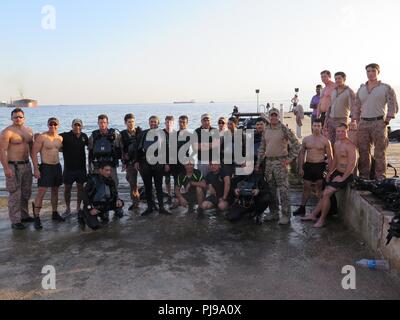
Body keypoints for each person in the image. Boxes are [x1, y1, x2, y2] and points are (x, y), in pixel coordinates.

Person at [302, 123, 357, 228]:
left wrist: (343, 177)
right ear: (336, 132)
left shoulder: (350, 145)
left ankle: (322, 220)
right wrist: (330, 173)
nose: (340, 133)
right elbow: (335, 160)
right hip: (337, 172)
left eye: (342, 131)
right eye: (338, 131)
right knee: (324, 192)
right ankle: (313, 215)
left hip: (347, 174)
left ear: (347, 131)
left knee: (327, 193)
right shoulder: (336, 143)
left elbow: (352, 164)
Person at [353, 63, 399, 180]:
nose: (370, 73)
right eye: (368, 71)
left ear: (378, 72)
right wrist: (356, 120)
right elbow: (356, 106)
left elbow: (393, 105)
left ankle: (380, 178)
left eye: (373, 71)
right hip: (363, 123)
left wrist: (387, 119)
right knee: (363, 152)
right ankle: (364, 177)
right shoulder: (361, 89)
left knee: (380, 153)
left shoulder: (386, 87)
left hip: (379, 122)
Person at [255, 108, 301, 225]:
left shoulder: (284, 129)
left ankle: (286, 215)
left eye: (275, 115)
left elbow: (296, 145)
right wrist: (258, 163)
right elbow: (262, 148)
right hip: (269, 163)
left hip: (281, 163)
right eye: (271, 115)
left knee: (284, 190)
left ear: (278, 117)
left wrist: (289, 159)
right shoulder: (266, 130)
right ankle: (274, 213)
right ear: (269, 117)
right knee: (271, 190)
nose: (273, 117)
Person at [0, 108, 34, 230]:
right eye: (15, 117)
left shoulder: (29, 131)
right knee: (15, 193)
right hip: (13, 166)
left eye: (20, 116)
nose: (18, 119)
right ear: (11, 118)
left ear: (23, 118)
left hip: (26, 164)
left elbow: (33, 149)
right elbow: (1, 151)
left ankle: (24, 215)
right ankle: (15, 220)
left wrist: (36, 166)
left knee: (26, 192)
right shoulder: (7, 132)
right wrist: (6, 168)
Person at [294, 119, 333, 216]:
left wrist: (329, 171)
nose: (316, 128)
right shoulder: (306, 139)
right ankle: (302, 208)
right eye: (315, 125)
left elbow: (330, 157)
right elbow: (302, 154)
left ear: (321, 127)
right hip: (309, 165)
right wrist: (300, 167)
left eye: (318, 126)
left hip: (320, 166)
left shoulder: (325, 141)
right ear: (312, 126)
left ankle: (319, 210)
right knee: (306, 187)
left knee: (319, 188)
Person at [31, 118, 65, 230]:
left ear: (58, 125)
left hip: (57, 166)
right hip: (46, 167)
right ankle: (36, 217)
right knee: (41, 192)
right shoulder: (42, 137)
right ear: (47, 125)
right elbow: (34, 153)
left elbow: (62, 150)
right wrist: (36, 168)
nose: (53, 126)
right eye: (51, 124)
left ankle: (54, 213)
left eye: (55, 124)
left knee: (55, 190)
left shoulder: (60, 138)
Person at [136, 116, 172, 216]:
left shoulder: (163, 134)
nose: (153, 124)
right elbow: (138, 148)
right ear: (149, 123)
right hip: (145, 164)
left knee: (159, 186)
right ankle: (150, 207)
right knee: (148, 187)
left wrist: (167, 163)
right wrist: (137, 161)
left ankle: (161, 207)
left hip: (159, 163)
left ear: (158, 123)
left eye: (155, 122)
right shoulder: (143, 133)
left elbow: (167, 150)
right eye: (151, 122)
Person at [80, 163, 124, 230]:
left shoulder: (111, 180)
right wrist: (90, 208)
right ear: (101, 170)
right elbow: (84, 195)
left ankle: (104, 214)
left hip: (105, 204)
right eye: (106, 170)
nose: (109, 172)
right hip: (93, 205)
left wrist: (118, 200)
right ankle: (82, 214)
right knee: (95, 227)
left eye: (110, 170)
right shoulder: (93, 180)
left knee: (120, 208)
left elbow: (115, 193)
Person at [60, 119, 89, 217]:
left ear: (82, 126)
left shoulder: (84, 136)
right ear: (71, 126)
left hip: (81, 168)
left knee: (80, 188)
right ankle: (68, 208)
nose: (77, 127)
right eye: (75, 125)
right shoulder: (65, 136)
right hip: (69, 169)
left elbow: (91, 147)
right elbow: (53, 137)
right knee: (67, 189)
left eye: (79, 125)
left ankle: (78, 207)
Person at [88, 114, 122, 186]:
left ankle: (115, 197)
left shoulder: (114, 134)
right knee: (98, 184)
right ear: (98, 123)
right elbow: (90, 152)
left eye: (104, 122)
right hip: (98, 164)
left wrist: (122, 161)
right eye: (100, 122)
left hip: (111, 163)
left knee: (114, 183)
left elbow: (120, 148)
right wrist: (90, 166)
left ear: (107, 123)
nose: (102, 124)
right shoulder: (93, 136)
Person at [325, 72, 356, 144]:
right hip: (331, 120)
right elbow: (330, 107)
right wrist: (326, 121)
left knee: (340, 142)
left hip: (342, 120)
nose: (337, 80)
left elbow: (353, 108)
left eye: (339, 78)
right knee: (330, 142)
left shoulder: (349, 91)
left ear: (344, 79)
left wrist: (353, 121)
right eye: (335, 79)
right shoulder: (334, 91)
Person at [120, 113, 142, 211]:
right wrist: (123, 161)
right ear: (125, 123)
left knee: (146, 181)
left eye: (133, 121)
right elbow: (120, 149)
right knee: (132, 182)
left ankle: (141, 201)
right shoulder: (122, 134)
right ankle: (135, 201)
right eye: (129, 122)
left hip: (140, 160)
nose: (131, 124)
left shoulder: (139, 131)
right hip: (129, 161)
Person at [163, 116, 177, 205]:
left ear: (173, 123)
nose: (168, 124)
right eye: (167, 122)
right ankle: (169, 195)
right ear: (165, 123)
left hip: (175, 160)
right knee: (167, 179)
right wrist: (165, 163)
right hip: (165, 160)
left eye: (170, 122)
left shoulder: (176, 133)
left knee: (176, 179)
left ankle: (176, 195)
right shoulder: (161, 133)